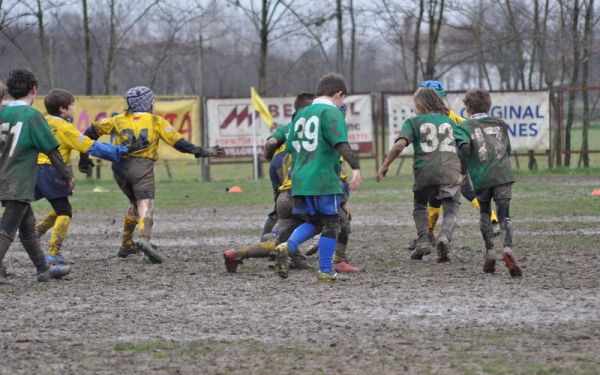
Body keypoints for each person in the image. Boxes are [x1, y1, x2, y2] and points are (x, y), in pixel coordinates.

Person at [82, 86, 223, 263]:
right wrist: (200, 151)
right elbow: (178, 142)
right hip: (142, 166)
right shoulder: (155, 121)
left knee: (133, 203)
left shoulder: (117, 120)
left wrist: (83, 156)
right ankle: (144, 239)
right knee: (145, 203)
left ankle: (126, 245)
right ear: (148, 102)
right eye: (153, 100)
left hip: (119, 168)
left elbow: (90, 132)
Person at [34, 88, 147, 265]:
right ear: (63, 109)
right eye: (72, 105)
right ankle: (53, 252)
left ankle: (35, 233)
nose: (74, 108)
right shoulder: (65, 127)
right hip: (52, 171)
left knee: (56, 207)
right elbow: (90, 146)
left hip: (33, 170)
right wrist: (124, 150)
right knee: (65, 212)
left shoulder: (41, 122)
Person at [273, 73, 362, 282]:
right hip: (323, 178)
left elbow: (292, 146)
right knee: (332, 223)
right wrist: (356, 168)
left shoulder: (302, 113)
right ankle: (325, 270)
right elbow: (340, 143)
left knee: (315, 221)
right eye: (342, 100)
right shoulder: (331, 113)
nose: (341, 104)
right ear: (338, 94)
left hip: (300, 178)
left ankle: (287, 245)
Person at [223, 93, 316, 272]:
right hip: (291, 167)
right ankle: (277, 242)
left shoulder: (288, 126)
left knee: (282, 208)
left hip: (277, 163)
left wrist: (267, 157)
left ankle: (275, 243)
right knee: (308, 216)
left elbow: (271, 142)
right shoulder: (312, 125)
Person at [376, 88, 466, 263]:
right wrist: (464, 170)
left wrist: (385, 165)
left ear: (420, 104)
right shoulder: (450, 121)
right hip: (450, 171)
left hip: (425, 172)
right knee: (451, 208)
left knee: (420, 206)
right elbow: (464, 147)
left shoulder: (413, 121)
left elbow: (399, 146)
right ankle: (444, 237)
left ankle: (423, 240)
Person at [409, 80, 500, 251]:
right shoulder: (448, 115)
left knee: (459, 193)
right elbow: (469, 126)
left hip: (447, 164)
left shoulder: (434, 116)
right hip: (448, 164)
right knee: (436, 201)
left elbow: (468, 128)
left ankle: (493, 219)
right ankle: (428, 235)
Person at [0, 68, 72, 284]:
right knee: (7, 229)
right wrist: (67, 175)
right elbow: (52, 150)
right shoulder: (32, 116)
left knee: (28, 228)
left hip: (4, 176)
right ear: (34, 89)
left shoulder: (3, 113)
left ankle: (42, 269)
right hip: (19, 180)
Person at [454, 88, 522, 277]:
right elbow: (508, 150)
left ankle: (490, 251)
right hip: (503, 175)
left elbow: (465, 148)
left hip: (482, 176)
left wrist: (464, 172)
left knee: (485, 211)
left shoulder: (463, 127)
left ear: (468, 107)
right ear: (489, 105)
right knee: (504, 215)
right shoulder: (500, 123)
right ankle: (507, 247)